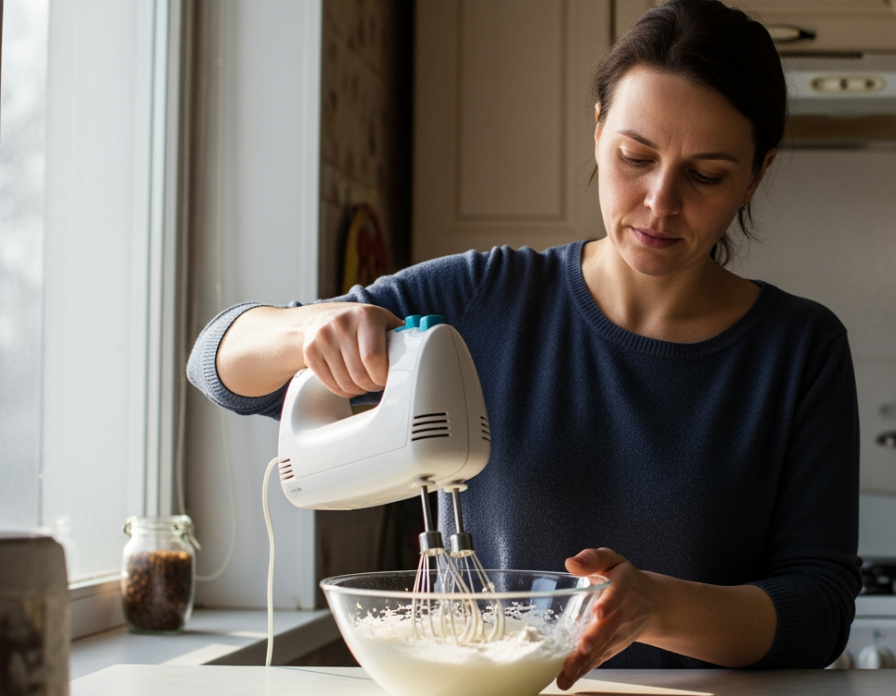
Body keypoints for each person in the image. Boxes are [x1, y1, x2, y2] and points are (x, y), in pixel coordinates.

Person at [188, 0, 860, 685]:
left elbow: (820, 608)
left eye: (706, 174)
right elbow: (216, 361)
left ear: (757, 172)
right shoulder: (484, 296)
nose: (660, 201)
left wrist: (654, 606)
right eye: (636, 157)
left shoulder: (800, 350)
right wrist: (307, 331)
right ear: (598, 132)